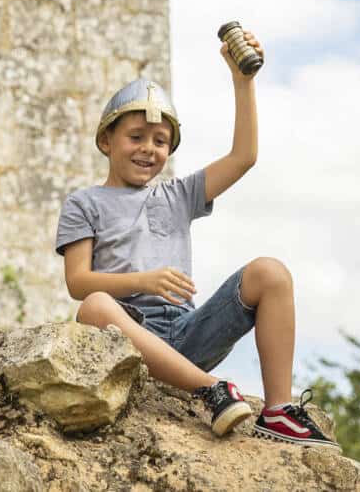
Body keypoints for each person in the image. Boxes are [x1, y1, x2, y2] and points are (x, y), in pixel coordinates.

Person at [54, 30, 338, 449]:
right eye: (136, 137)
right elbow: (78, 281)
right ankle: (211, 390)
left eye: (160, 141)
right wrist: (143, 282)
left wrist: (244, 82)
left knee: (270, 273)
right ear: (105, 141)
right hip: (128, 337)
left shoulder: (178, 195)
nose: (148, 148)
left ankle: (278, 411)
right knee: (92, 305)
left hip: (188, 333)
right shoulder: (84, 202)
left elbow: (244, 157)